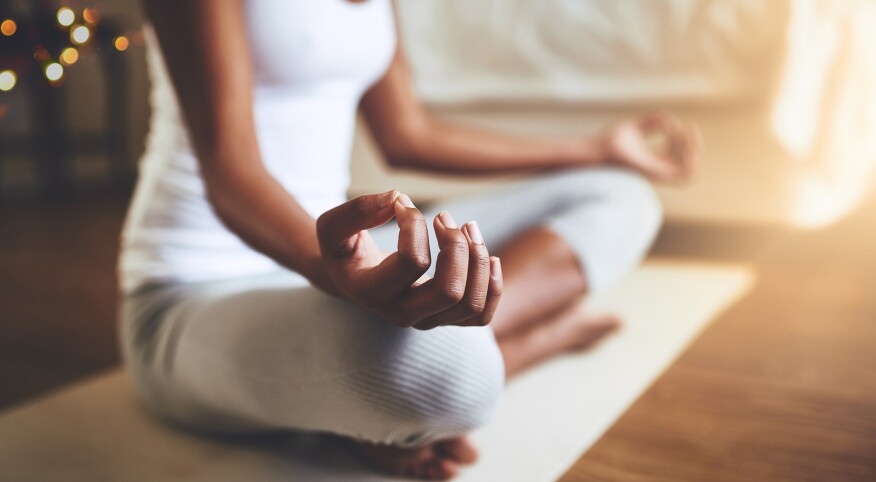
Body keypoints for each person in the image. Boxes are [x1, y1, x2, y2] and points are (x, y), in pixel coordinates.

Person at [120, 1, 700, 480]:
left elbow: (410, 134)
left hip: (330, 270)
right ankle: (528, 338)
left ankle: (394, 384)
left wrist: (597, 149)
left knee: (619, 194)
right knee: (458, 375)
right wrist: (334, 272)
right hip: (192, 296)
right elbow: (231, 174)